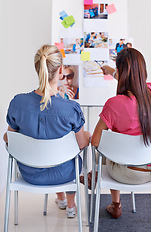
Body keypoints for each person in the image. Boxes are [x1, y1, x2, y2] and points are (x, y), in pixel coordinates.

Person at [3, 45, 91, 218]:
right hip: (64, 174)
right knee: (71, 157)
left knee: (50, 153)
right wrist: (87, 136)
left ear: (37, 69)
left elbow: (8, 138)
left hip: (29, 174)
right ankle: (71, 205)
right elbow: (81, 143)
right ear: (60, 70)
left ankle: (61, 199)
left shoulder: (18, 103)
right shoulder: (71, 109)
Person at [91, 47, 151, 219]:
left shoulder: (114, 104)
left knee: (100, 149)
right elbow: (135, 84)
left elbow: (95, 141)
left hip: (129, 173)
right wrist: (113, 72)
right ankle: (92, 177)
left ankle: (116, 204)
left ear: (120, 72)